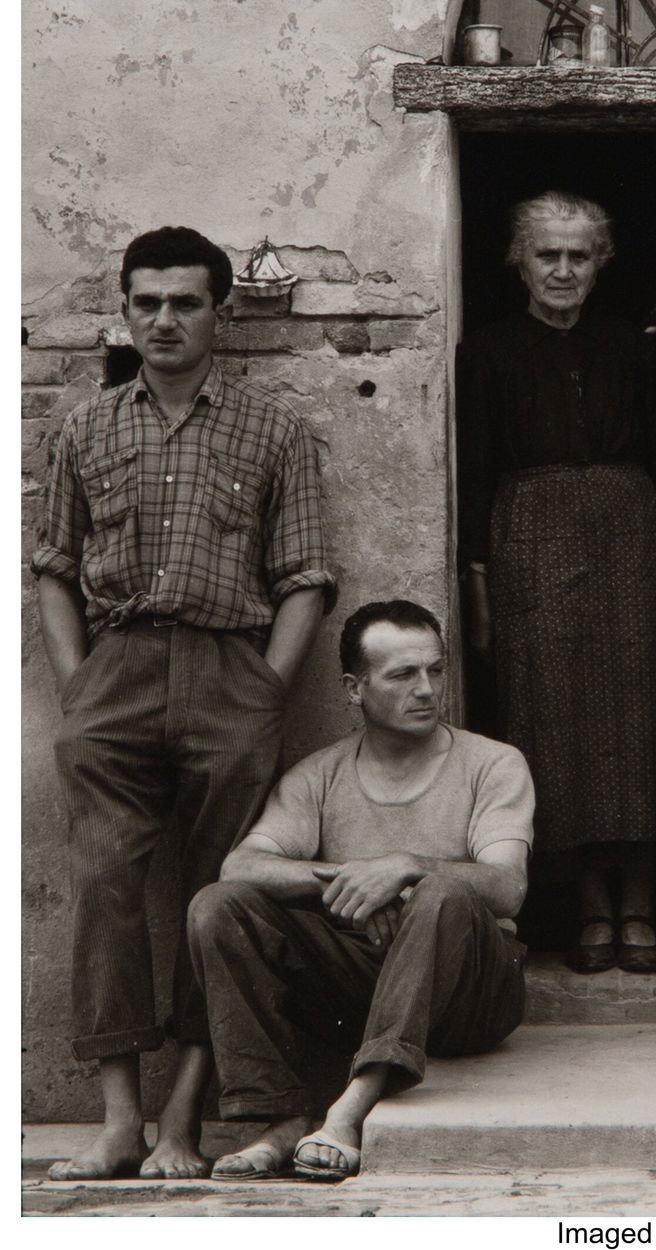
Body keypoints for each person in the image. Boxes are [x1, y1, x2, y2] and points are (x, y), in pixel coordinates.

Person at [31, 226, 335, 1180]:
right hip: (114, 674)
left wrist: (264, 690)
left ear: (220, 313)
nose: (164, 320)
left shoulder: (273, 430)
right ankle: (119, 1121)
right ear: (125, 310)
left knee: (219, 900)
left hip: (228, 673)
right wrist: (79, 688)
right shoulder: (84, 429)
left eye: (185, 303)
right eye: (147, 303)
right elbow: (53, 568)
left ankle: (181, 1122)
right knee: (106, 891)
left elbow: (306, 576)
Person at [187, 600, 532, 1181]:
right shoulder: (319, 774)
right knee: (216, 907)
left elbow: (508, 886)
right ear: (354, 688)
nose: (426, 690)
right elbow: (240, 866)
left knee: (442, 891)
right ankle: (281, 1117)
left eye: (436, 670)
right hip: (364, 980)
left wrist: (405, 867)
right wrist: (357, 880)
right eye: (403, 675)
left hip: (472, 992)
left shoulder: (493, 763)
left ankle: (352, 1107)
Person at [456, 191, 656, 976]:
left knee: (637, 716)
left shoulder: (633, 346)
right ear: (518, 261)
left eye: (579, 256)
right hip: (529, 545)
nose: (563, 270)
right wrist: (480, 588)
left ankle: (641, 903)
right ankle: (592, 906)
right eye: (547, 254)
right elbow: (474, 474)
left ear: (600, 264)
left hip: (631, 544)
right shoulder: (485, 351)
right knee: (555, 719)